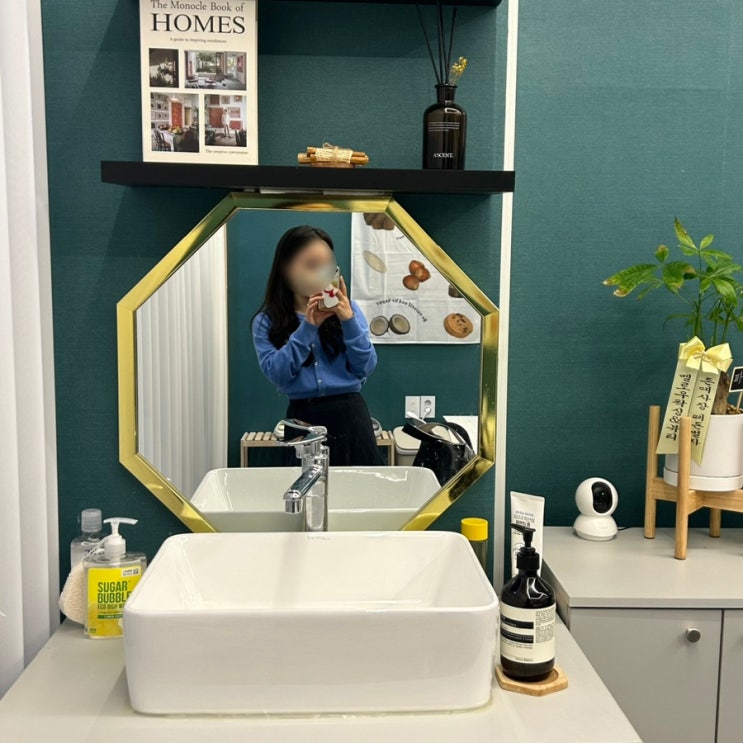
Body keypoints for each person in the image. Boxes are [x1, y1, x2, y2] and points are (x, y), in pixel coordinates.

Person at [252, 225, 382, 466]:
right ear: (285, 269)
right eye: (312, 265)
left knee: (359, 488)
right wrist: (308, 327)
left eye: (328, 264)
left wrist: (348, 321)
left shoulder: (349, 310)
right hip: (303, 420)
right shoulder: (267, 321)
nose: (322, 273)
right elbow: (277, 374)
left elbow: (365, 367)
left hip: (351, 416)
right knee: (306, 487)